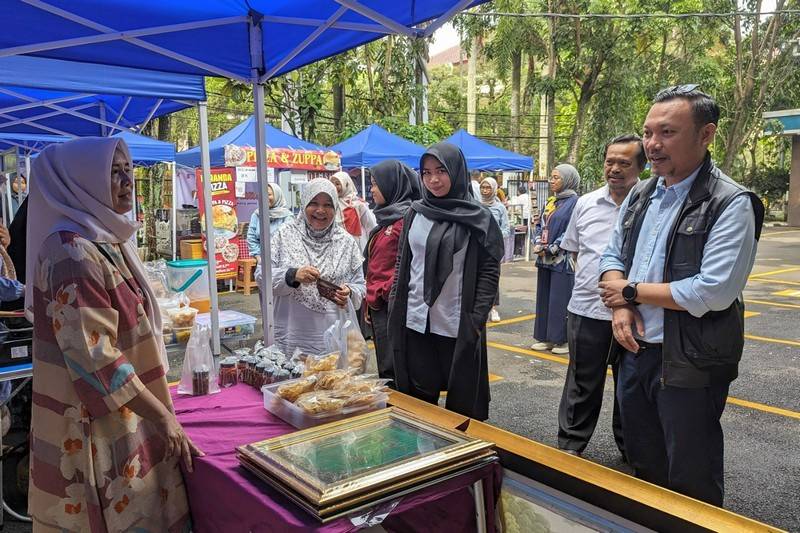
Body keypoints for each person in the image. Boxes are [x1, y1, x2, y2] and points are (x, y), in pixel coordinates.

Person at [599, 86, 764, 506]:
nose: (652, 145)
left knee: (692, 475)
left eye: (667, 132)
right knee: (643, 462)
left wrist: (631, 291)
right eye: (648, 132)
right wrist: (620, 306)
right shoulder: (641, 194)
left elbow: (713, 290)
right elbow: (612, 253)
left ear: (706, 134)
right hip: (635, 350)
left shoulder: (730, 202)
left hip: (690, 358)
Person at [26, 137, 200, 532]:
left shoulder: (104, 240)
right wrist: (163, 418)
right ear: (81, 180)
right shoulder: (71, 252)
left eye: (127, 170)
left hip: (124, 413)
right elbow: (96, 358)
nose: (127, 181)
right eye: (112, 172)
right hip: (92, 426)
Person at [389, 143, 504, 420]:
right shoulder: (415, 211)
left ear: (457, 171)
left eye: (441, 171)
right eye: (426, 173)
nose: (433, 180)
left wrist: (476, 318)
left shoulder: (478, 218)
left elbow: (489, 271)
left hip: (456, 321)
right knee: (419, 397)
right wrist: (395, 302)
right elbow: (403, 262)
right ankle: (422, 453)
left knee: (462, 400)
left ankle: (460, 457)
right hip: (416, 319)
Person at [556, 134, 645, 458]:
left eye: (625, 163)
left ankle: (633, 452)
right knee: (582, 384)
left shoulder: (652, 204)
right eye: (611, 161)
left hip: (639, 314)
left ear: (640, 167)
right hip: (587, 310)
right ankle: (569, 448)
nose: (615, 169)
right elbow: (576, 252)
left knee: (632, 388)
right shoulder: (585, 203)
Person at [263, 179, 365, 356]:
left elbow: (360, 285)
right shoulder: (284, 236)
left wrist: (349, 292)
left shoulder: (346, 242)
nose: (320, 210)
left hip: (333, 335)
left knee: (331, 380)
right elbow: (262, 277)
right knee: (294, 381)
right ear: (304, 204)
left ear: (335, 208)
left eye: (328, 205)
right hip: (292, 334)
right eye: (314, 203)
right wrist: (293, 275)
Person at [364, 160, 420, 383]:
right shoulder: (386, 220)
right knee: (385, 366)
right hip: (379, 305)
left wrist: (384, 293)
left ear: (392, 185)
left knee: (395, 368)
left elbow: (407, 267)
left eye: (375, 184)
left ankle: (400, 413)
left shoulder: (406, 222)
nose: (372, 190)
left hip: (393, 307)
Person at [531, 164, 580, 355]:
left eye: (556, 177)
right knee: (544, 298)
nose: (551, 181)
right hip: (544, 258)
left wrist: (551, 249)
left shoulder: (575, 202)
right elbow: (539, 224)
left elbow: (571, 231)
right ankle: (546, 338)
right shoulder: (552, 201)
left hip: (561, 259)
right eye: (551, 177)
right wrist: (537, 242)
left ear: (568, 179)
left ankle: (562, 341)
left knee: (560, 299)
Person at [480, 177, 510, 322]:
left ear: (494, 189)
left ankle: (493, 308)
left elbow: (506, 229)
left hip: (492, 250)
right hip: (478, 248)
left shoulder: (500, 208)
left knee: (492, 278)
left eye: (488, 188)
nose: (485, 191)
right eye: (483, 187)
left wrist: (493, 236)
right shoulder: (476, 205)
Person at [330, 170, 376, 251]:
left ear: (346, 184)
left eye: (337, 184)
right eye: (332, 184)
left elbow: (370, 226)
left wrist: (373, 247)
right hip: (337, 247)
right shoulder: (331, 204)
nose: (334, 187)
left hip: (357, 246)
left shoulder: (358, 204)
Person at [247, 181, 292, 259]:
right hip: (262, 258)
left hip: (283, 258)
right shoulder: (257, 214)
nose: (265, 197)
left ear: (277, 195)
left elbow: (289, 240)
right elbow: (251, 237)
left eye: (269, 195)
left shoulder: (287, 216)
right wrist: (257, 255)